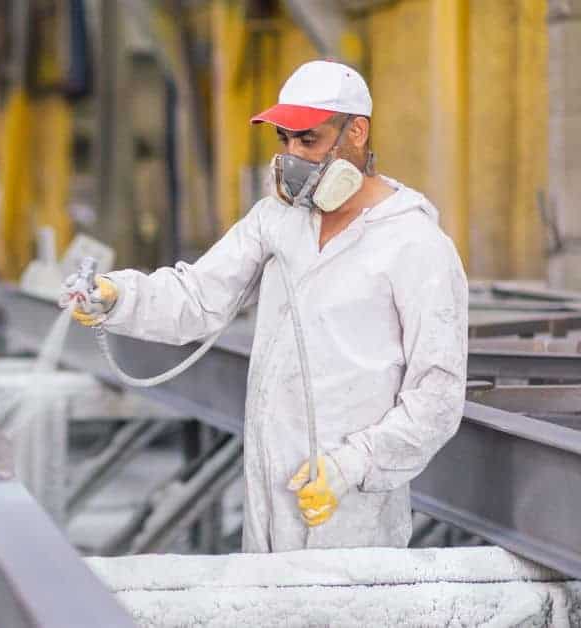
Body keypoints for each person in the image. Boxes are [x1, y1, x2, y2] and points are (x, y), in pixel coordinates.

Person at [61, 60, 468, 552]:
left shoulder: (414, 243)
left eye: (309, 140)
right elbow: (199, 297)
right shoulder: (279, 220)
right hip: (270, 485)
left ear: (356, 132)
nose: (294, 156)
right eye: (285, 141)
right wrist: (119, 297)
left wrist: (350, 466)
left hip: (352, 503)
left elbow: (437, 396)